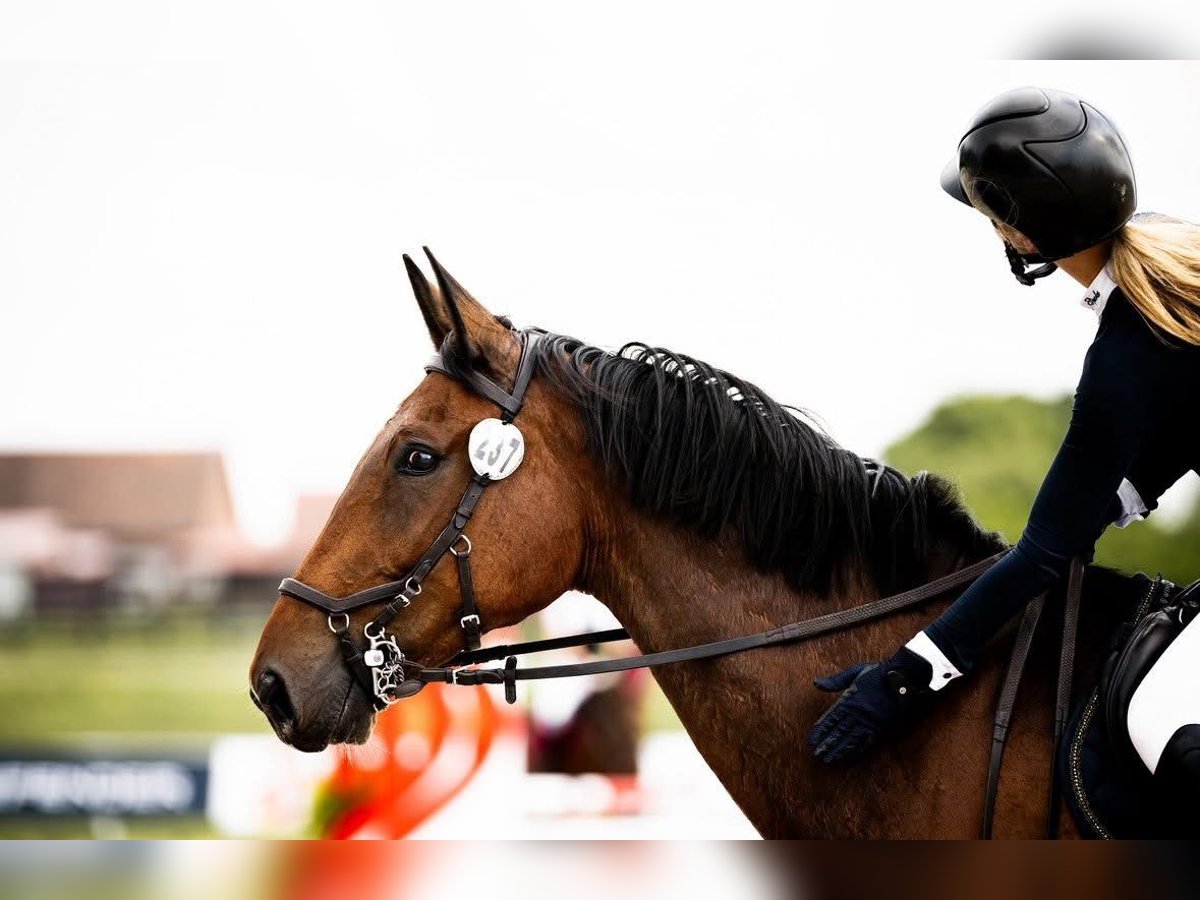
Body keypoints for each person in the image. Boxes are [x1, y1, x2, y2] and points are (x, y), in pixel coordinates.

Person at [805, 86, 1200, 786]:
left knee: (1159, 717)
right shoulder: (1173, 271)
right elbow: (1177, 433)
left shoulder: (1126, 350)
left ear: (1019, 234)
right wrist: (1103, 502)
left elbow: (1048, 554)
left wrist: (905, 679)